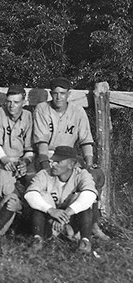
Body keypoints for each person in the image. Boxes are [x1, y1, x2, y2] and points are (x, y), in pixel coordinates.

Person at [32, 77, 108, 240]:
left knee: (96, 176)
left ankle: (93, 224)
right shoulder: (42, 109)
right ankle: (59, 223)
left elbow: (86, 140)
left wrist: (88, 164)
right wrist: (45, 164)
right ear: (50, 94)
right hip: (50, 155)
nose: (58, 97)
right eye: (55, 93)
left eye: (62, 93)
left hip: (70, 156)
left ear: (69, 94)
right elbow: (42, 142)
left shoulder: (77, 111)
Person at [23, 146, 97, 254]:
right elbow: (30, 194)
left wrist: (66, 213)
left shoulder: (81, 174)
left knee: (82, 197)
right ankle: (37, 239)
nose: (53, 164)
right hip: (49, 221)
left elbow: (90, 195)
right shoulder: (45, 174)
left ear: (71, 164)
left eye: (58, 162)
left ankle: (85, 241)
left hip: (72, 220)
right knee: (41, 196)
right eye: (52, 161)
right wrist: (51, 211)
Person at [0, 85, 34, 180]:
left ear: (24, 103)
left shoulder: (28, 116)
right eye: (9, 102)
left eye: (16, 102)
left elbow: (29, 149)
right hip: (1, 159)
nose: (11, 106)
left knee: (32, 177)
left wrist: (24, 163)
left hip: (21, 159)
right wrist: (5, 160)